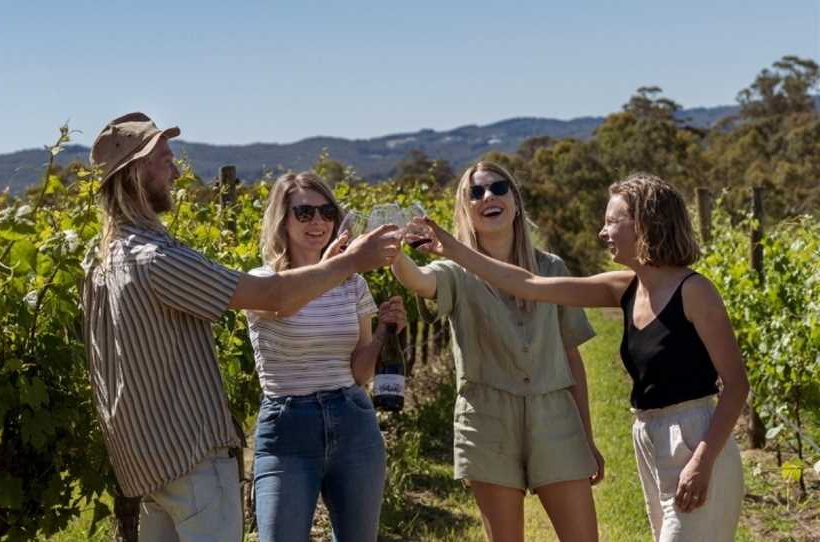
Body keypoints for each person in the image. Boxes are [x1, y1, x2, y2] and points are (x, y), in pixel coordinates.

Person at [82, 112, 400, 542]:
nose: (177, 170)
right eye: (166, 158)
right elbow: (274, 299)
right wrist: (352, 260)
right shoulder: (154, 259)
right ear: (137, 172)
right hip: (189, 455)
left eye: (325, 211)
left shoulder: (102, 261)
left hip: (148, 461)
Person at [412, 172, 748, 542]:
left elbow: (736, 385)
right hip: (649, 438)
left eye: (611, 222)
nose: (602, 233)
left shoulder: (695, 291)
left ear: (645, 224)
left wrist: (701, 462)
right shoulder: (625, 288)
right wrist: (452, 248)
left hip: (695, 439)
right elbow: (528, 285)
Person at [391, 161, 603, 542]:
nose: (487, 196)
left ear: (516, 201)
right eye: (475, 192)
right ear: (465, 210)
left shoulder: (550, 267)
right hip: (486, 418)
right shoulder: (453, 271)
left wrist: (587, 439)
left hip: (554, 413)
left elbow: (572, 357)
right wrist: (393, 256)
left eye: (498, 188)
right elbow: (420, 282)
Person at [246, 171, 406, 542]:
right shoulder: (263, 280)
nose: (317, 222)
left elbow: (358, 373)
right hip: (287, 429)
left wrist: (383, 330)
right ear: (281, 219)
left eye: (327, 212)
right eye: (304, 212)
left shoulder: (353, 284)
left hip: (352, 421)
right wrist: (339, 266)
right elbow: (282, 304)